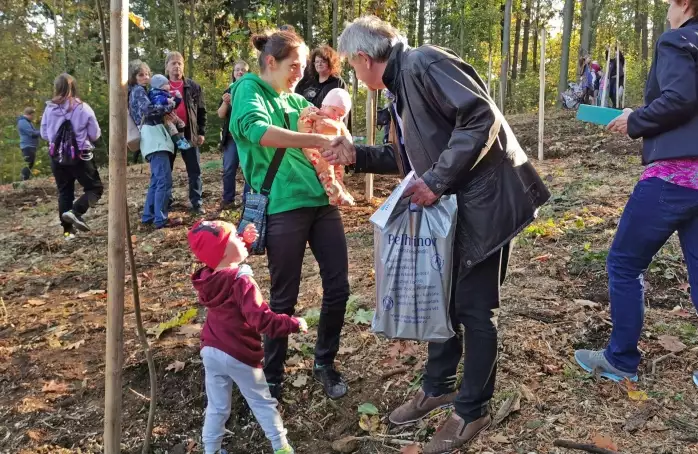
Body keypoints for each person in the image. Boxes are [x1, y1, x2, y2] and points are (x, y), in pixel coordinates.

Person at [324, 16, 550, 453]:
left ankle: (472, 409)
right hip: (456, 208)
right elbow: (409, 155)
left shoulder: (424, 64)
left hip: (486, 204)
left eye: (352, 67)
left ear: (363, 58)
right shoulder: (401, 87)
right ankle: (438, 386)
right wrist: (356, 154)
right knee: (444, 296)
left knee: (476, 309)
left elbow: (480, 118)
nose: (354, 74)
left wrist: (437, 181)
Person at [575, 0, 698, 388]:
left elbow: (680, 98)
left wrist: (636, 120)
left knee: (625, 263)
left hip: (674, 176)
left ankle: (621, 359)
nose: (664, 7)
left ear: (684, 3)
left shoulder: (677, 40)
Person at [228, 29, 351, 400]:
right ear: (270, 62)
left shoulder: (296, 101)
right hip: (283, 205)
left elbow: (323, 128)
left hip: (320, 204)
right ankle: (274, 374)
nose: (300, 72)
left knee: (339, 287)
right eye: (293, 66)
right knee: (284, 297)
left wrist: (338, 137)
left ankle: (324, 362)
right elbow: (257, 131)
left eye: (302, 66)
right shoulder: (248, 90)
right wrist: (316, 140)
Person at [188, 219, 306, 454]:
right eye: (235, 237)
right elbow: (262, 320)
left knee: (217, 406)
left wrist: (246, 242)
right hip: (238, 352)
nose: (241, 238)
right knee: (262, 401)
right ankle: (281, 446)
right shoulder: (242, 282)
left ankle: (211, 450)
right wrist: (293, 324)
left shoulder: (210, 278)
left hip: (211, 349)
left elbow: (225, 261)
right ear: (223, 251)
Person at [41, 73, 104, 239]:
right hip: (81, 157)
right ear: (74, 87)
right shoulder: (83, 108)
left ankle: (68, 232)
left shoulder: (49, 108)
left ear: (56, 88)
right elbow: (95, 133)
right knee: (95, 188)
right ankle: (76, 211)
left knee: (65, 191)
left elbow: (44, 134)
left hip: (58, 157)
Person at [128, 60, 183, 229]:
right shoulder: (138, 91)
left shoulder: (141, 91)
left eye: (147, 74)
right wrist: (171, 104)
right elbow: (149, 110)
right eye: (141, 75)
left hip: (153, 138)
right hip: (154, 138)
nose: (145, 78)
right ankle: (160, 218)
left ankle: (148, 216)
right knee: (163, 180)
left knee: (156, 180)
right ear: (133, 77)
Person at [165, 51, 207, 215]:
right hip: (168, 135)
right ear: (167, 67)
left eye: (179, 63)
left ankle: (196, 202)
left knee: (194, 169)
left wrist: (201, 132)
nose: (177, 66)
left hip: (187, 135)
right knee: (165, 169)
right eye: (173, 63)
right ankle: (166, 202)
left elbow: (202, 111)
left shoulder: (193, 86)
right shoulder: (161, 87)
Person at [298, 88, 354, 206]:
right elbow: (303, 124)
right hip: (316, 149)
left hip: (334, 151)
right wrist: (310, 135)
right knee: (326, 170)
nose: (336, 116)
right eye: (334, 110)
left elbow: (347, 136)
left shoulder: (339, 123)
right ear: (324, 105)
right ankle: (334, 193)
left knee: (339, 169)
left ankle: (341, 189)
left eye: (341, 115)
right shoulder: (313, 112)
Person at [218, 60, 252, 210]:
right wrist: (226, 102)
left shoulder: (251, 91)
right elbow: (220, 114)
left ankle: (248, 200)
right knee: (229, 168)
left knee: (248, 169)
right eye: (237, 70)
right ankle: (228, 200)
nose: (239, 72)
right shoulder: (228, 90)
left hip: (246, 138)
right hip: (231, 138)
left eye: (243, 70)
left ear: (247, 73)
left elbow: (249, 111)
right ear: (233, 73)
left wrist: (235, 103)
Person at [148, 74, 191, 151]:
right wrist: (167, 100)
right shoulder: (155, 93)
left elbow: (174, 105)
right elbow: (157, 101)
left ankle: (182, 138)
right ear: (161, 86)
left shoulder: (165, 93)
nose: (169, 85)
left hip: (171, 114)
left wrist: (178, 98)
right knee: (172, 128)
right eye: (167, 84)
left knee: (181, 123)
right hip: (164, 117)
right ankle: (179, 143)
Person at [17, 107, 41, 181]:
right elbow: (31, 133)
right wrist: (42, 132)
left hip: (31, 145)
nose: (33, 117)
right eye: (33, 115)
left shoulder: (27, 122)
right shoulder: (23, 122)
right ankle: (23, 180)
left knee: (30, 163)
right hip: (27, 145)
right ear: (29, 114)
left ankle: (25, 180)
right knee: (28, 163)